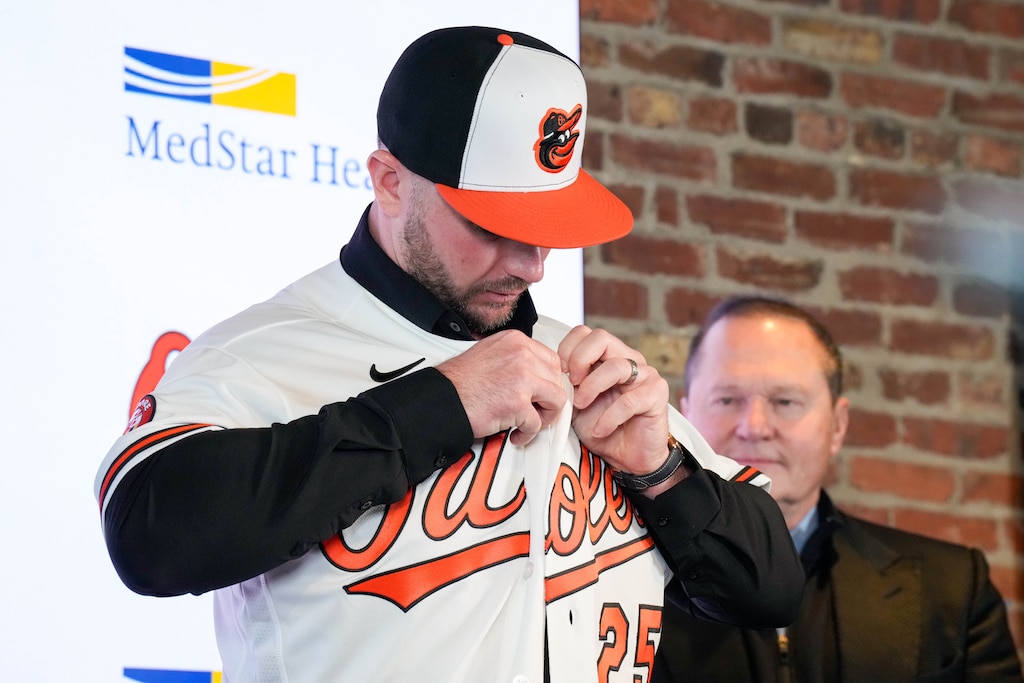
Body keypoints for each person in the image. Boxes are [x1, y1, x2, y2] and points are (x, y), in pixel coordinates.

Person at [94, 27, 803, 683]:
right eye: (495, 223)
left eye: (547, 224)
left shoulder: (581, 362)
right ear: (390, 180)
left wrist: (662, 469)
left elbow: (770, 586)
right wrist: (439, 406)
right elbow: (147, 531)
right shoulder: (270, 349)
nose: (531, 264)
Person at [653, 295, 1024, 682]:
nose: (755, 426)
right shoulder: (619, 582)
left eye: (785, 401)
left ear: (838, 425)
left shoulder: (953, 590)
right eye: (727, 399)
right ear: (687, 416)